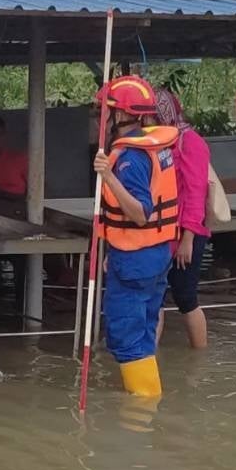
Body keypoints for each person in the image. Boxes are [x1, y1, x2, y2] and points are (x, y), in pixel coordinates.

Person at [92, 75, 179, 397]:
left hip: (137, 258)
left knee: (126, 336)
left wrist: (107, 175)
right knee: (142, 331)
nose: (102, 116)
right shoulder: (153, 146)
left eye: (106, 111)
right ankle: (147, 399)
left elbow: (140, 213)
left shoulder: (130, 159)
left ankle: (141, 411)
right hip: (152, 254)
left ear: (122, 115)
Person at [153, 88, 210, 349]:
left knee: (186, 297)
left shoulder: (190, 141)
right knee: (155, 296)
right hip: (161, 232)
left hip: (186, 232)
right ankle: (147, 354)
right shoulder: (158, 141)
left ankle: (199, 355)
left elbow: (196, 192)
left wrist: (188, 237)